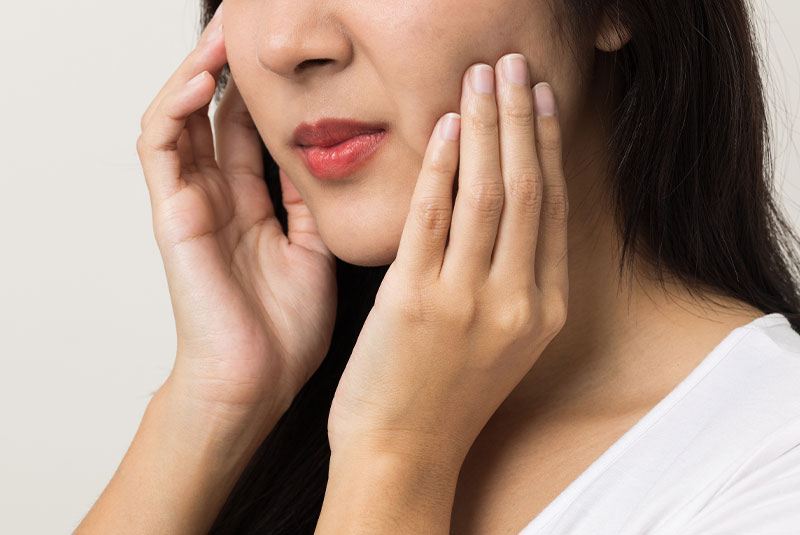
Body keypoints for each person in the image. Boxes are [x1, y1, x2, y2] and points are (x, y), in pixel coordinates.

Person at [75, 0, 800, 533]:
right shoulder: (288, 424)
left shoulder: (770, 463)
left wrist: (396, 457)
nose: (284, 43)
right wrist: (213, 401)